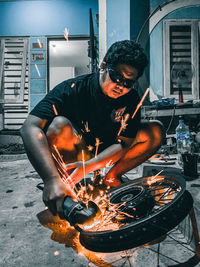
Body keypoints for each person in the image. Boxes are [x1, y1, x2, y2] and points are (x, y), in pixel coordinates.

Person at [20, 40, 163, 218]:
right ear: (103, 66)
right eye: (117, 78)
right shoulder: (72, 89)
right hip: (77, 150)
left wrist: (88, 167)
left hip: (107, 150)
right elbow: (29, 127)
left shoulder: (132, 99)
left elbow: (125, 144)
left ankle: (112, 178)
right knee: (59, 125)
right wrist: (51, 179)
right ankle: (66, 187)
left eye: (128, 83)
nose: (121, 86)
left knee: (155, 130)